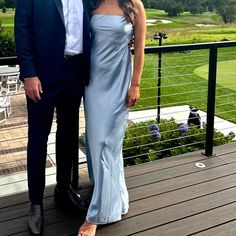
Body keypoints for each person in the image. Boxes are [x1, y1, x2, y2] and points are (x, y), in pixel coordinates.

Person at [14, 0, 91, 235]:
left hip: (75, 71)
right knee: (38, 138)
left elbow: (105, 13)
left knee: (68, 134)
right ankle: (35, 204)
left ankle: (63, 189)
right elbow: (22, 28)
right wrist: (28, 73)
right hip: (42, 75)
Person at [78, 0, 146, 235]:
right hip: (94, 82)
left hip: (119, 82)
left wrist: (135, 85)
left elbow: (140, 49)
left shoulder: (135, 4)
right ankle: (109, 195)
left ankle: (97, 213)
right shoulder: (92, 3)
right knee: (96, 142)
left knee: (109, 143)